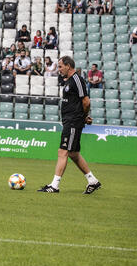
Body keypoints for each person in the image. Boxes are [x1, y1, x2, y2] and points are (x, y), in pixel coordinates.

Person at [38, 56, 101, 194]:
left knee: (63, 151)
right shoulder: (69, 81)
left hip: (73, 121)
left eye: (60, 66)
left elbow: (86, 101)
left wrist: (83, 117)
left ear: (68, 66)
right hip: (70, 120)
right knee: (73, 153)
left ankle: (54, 185)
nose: (59, 69)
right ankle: (93, 181)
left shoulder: (77, 80)